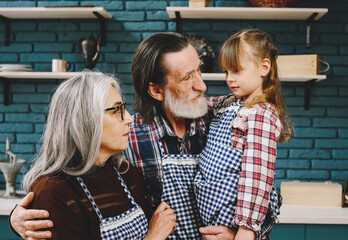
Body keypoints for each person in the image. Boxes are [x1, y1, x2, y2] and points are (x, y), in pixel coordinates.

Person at [10, 33, 236, 240]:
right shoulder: (126, 136)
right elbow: (71, 178)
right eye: (187, 78)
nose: (202, 85)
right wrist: (20, 216)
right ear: (156, 90)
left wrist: (240, 233)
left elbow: (258, 187)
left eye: (199, 70)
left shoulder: (222, 123)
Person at [17, 71, 176, 240]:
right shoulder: (53, 191)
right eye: (116, 110)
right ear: (84, 121)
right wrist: (153, 237)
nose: (129, 118)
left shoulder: (128, 174)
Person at [194, 29, 293, 240]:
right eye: (226, 72)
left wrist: (245, 232)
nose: (230, 79)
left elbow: (256, 176)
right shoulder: (232, 102)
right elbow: (204, 105)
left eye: (237, 71)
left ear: (264, 67)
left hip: (237, 226)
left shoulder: (261, 115)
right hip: (214, 219)